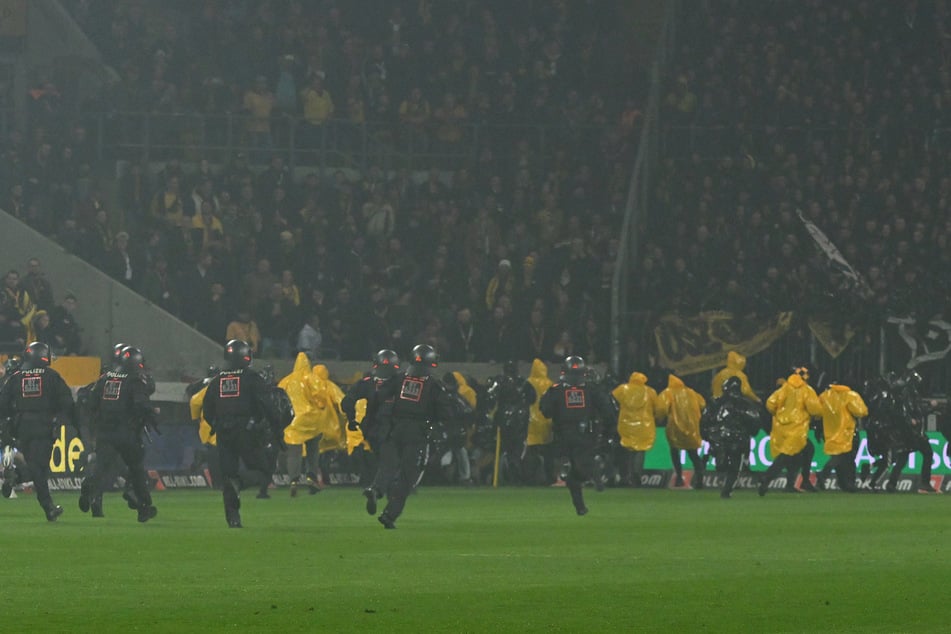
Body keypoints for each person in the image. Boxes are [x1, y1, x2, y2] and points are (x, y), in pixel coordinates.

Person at [368, 344, 455, 529]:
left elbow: (380, 396)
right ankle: (390, 514)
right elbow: (446, 414)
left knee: (388, 465)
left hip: (395, 428)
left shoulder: (400, 379)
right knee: (408, 476)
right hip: (417, 434)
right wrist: (434, 428)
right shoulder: (434, 386)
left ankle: (376, 489)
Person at [202, 340, 284, 527]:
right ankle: (239, 483)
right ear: (246, 357)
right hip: (247, 431)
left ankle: (233, 518)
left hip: (223, 432)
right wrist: (275, 426)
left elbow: (207, 409)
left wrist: (216, 425)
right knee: (263, 471)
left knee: (228, 474)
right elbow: (268, 405)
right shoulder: (252, 378)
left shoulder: (218, 381)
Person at [78, 346, 158, 522]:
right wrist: (152, 415)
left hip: (105, 431)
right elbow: (141, 405)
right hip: (126, 432)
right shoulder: (135, 380)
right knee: (136, 469)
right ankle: (144, 506)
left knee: (101, 467)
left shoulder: (106, 378)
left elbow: (91, 402)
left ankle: (92, 493)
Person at [0, 343, 74, 520]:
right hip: (44, 426)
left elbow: (3, 404)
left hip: (22, 427)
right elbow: (67, 401)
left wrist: (8, 425)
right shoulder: (51, 376)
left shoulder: (15, 377)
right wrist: (62, 420)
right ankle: (48, 506)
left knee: (35, 465)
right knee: (39, 467)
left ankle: (16, 476)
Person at [539, 356, 615, 515]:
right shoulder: (591, 389)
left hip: (564, 437)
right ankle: (593, 470)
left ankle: (580, 506)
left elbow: (545, 410)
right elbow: (608, 410)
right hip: (585, 435)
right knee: (578, 471)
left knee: (572, 472)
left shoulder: (556, 390)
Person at [341, 349, 401, 513]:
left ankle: (386, 497)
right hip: (392, 429)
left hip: (371, 430)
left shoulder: (367, 382)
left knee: (386, 463)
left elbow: (347, 401)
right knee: (391, 463)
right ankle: (377, 491)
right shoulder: (401, 383)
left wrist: (352, 419)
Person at [758, 370, 822, 495]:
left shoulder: (784, 388)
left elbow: (770, 403)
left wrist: (778, 414)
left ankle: (796, 483)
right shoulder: (807, 390)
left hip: (781, 429)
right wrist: (818, 415)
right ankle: (767, 477)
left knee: (806, 450)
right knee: (787, 456)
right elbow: (815, 409)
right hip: (797, 429)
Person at [700, 377, 764, 498]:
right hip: (739, 439)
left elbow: (705, 420)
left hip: (719, 438)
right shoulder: (746, 404)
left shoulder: (716, 402)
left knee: (724, 465)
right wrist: (750, 433)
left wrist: (707, 435)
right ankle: (727, 490)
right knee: (736, 467)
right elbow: (755, 421)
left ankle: (717, 455)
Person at [612, 371, 667, 486]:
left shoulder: (622, 389)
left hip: (626, 425)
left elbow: (612, 401)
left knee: (627, 451)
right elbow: (658, 408)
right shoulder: (650, 391)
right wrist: (658, 419)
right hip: (644, 426)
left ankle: (625, 476)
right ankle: (636, 475)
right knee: (640, 451)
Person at [814, 380, 868, 492]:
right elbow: (860, 411)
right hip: (847, 432)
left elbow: (817, 412)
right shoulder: (850, 395)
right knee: (847, 457)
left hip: (830, 432)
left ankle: (845, 484)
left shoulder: (825, 395)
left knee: (841, 457)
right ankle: (828, 475)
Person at [659, 374, 706, 489]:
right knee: (693, 454)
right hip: (692, 428)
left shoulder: (668, 392)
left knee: (675, 452)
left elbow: (661, 408)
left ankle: (679, 477)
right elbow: (703, 404)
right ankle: (700, 478)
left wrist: (659, 419)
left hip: (674, 428)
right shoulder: (692, 392)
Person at [523, 358, 554, 485]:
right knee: (547, 453)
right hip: (547, 422)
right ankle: (549, 478)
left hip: (531, 422)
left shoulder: (528, 383)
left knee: (531, 451)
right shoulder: (550, 384)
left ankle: (529, 478)